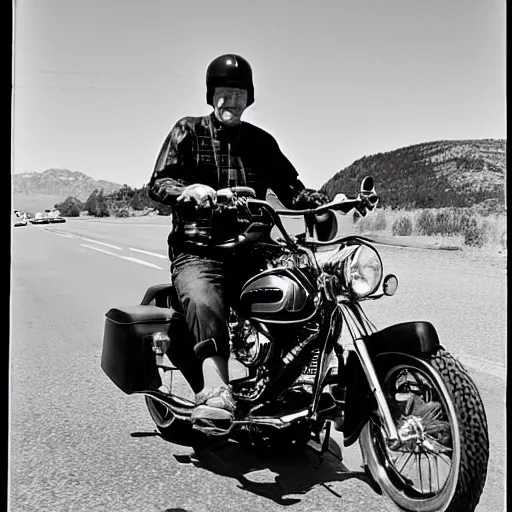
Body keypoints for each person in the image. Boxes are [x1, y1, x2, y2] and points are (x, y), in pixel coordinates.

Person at [148, 53, 329, 435]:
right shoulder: (187, 131)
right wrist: (187, 190)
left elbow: (293, 192)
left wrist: (325, 200)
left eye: (238, 93)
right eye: (223, 93)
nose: (230, 101)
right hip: (200, 249)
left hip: (252, 248)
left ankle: (292, 378)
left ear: (249, 98)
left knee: (306, 288)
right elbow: (159, 183)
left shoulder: (262, 142)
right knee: (202, 297)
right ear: (211, 95)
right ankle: (215, 389)